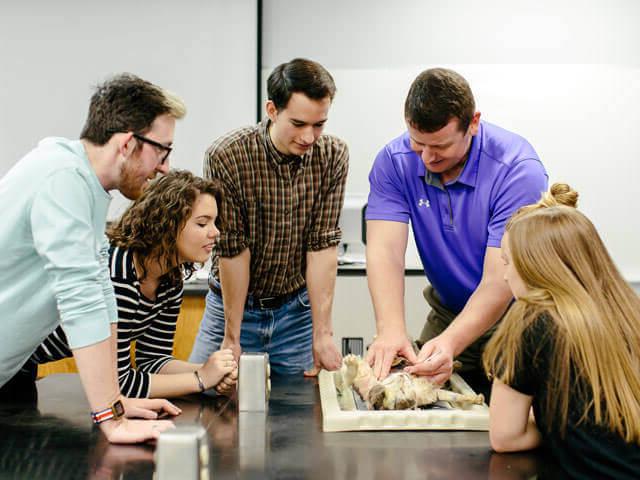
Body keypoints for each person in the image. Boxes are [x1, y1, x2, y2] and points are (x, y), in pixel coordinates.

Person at [0, 73, 185, 443]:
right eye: (162, 150)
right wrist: (110, 420)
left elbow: (102, 295)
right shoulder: (63, 177)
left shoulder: (87, 184)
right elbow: (79, 299)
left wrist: (114, 400)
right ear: (128, 143)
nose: (165, 166)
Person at [365, 68, 548, 388]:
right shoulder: (394, 161)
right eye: (418, 143)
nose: (427, 157)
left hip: (517, 317)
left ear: (473, 123)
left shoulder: (517, 170)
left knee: (506, 425)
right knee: (413, 393)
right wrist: (390, 329)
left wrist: (450, 343)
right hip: (447, 310)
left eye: (441, 146)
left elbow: (499, 280)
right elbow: (385, 250)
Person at [189, 58, 348, 384]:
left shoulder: (332, 156)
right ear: (272, 110)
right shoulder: (228, 156)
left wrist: (323, 333)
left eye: (319, 125)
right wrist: (232, 338)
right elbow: (234, 249)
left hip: (295, 314)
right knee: (203, 403)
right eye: (299, 123)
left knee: (298, 415)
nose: (309, 137)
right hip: (232, 309)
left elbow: (322, 246)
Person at [28, 170, 237, 398]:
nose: (215, 232)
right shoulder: (119, 273)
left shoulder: (169, 280)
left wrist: (211, 371)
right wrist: (200, 379)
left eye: (215, 222)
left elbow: (153, 362)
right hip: (12, 360)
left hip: (22, 363)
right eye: (202, 223)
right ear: (167, 223)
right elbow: (118, 384)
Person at [483, 183, 640, 478]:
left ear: (535, 266)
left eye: (508, 263)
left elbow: (505, 437)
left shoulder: (530, 321)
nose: (505, 275)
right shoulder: (629, 312)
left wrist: (554, 426)